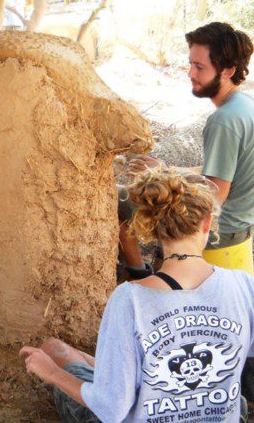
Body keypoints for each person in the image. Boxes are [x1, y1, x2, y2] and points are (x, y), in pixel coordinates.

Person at [21, 169, 253, 422]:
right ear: (208, 222)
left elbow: (112, 409)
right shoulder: (244, 286)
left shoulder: (129, 300)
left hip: (130, 403)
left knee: (53, 349)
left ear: (151, 227)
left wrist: (52, 373)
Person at [119, 22, 254, 279]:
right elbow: (220, 170)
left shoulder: (224, 120)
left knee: (119, 201)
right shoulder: (246, 105)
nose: (190, 73)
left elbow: (215, 194)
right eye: (191, 64)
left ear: (228, 70)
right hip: (242, 225)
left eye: (200, 67)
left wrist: (162, 183)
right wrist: (166, 169)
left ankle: (139, 274)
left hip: (219, 231)